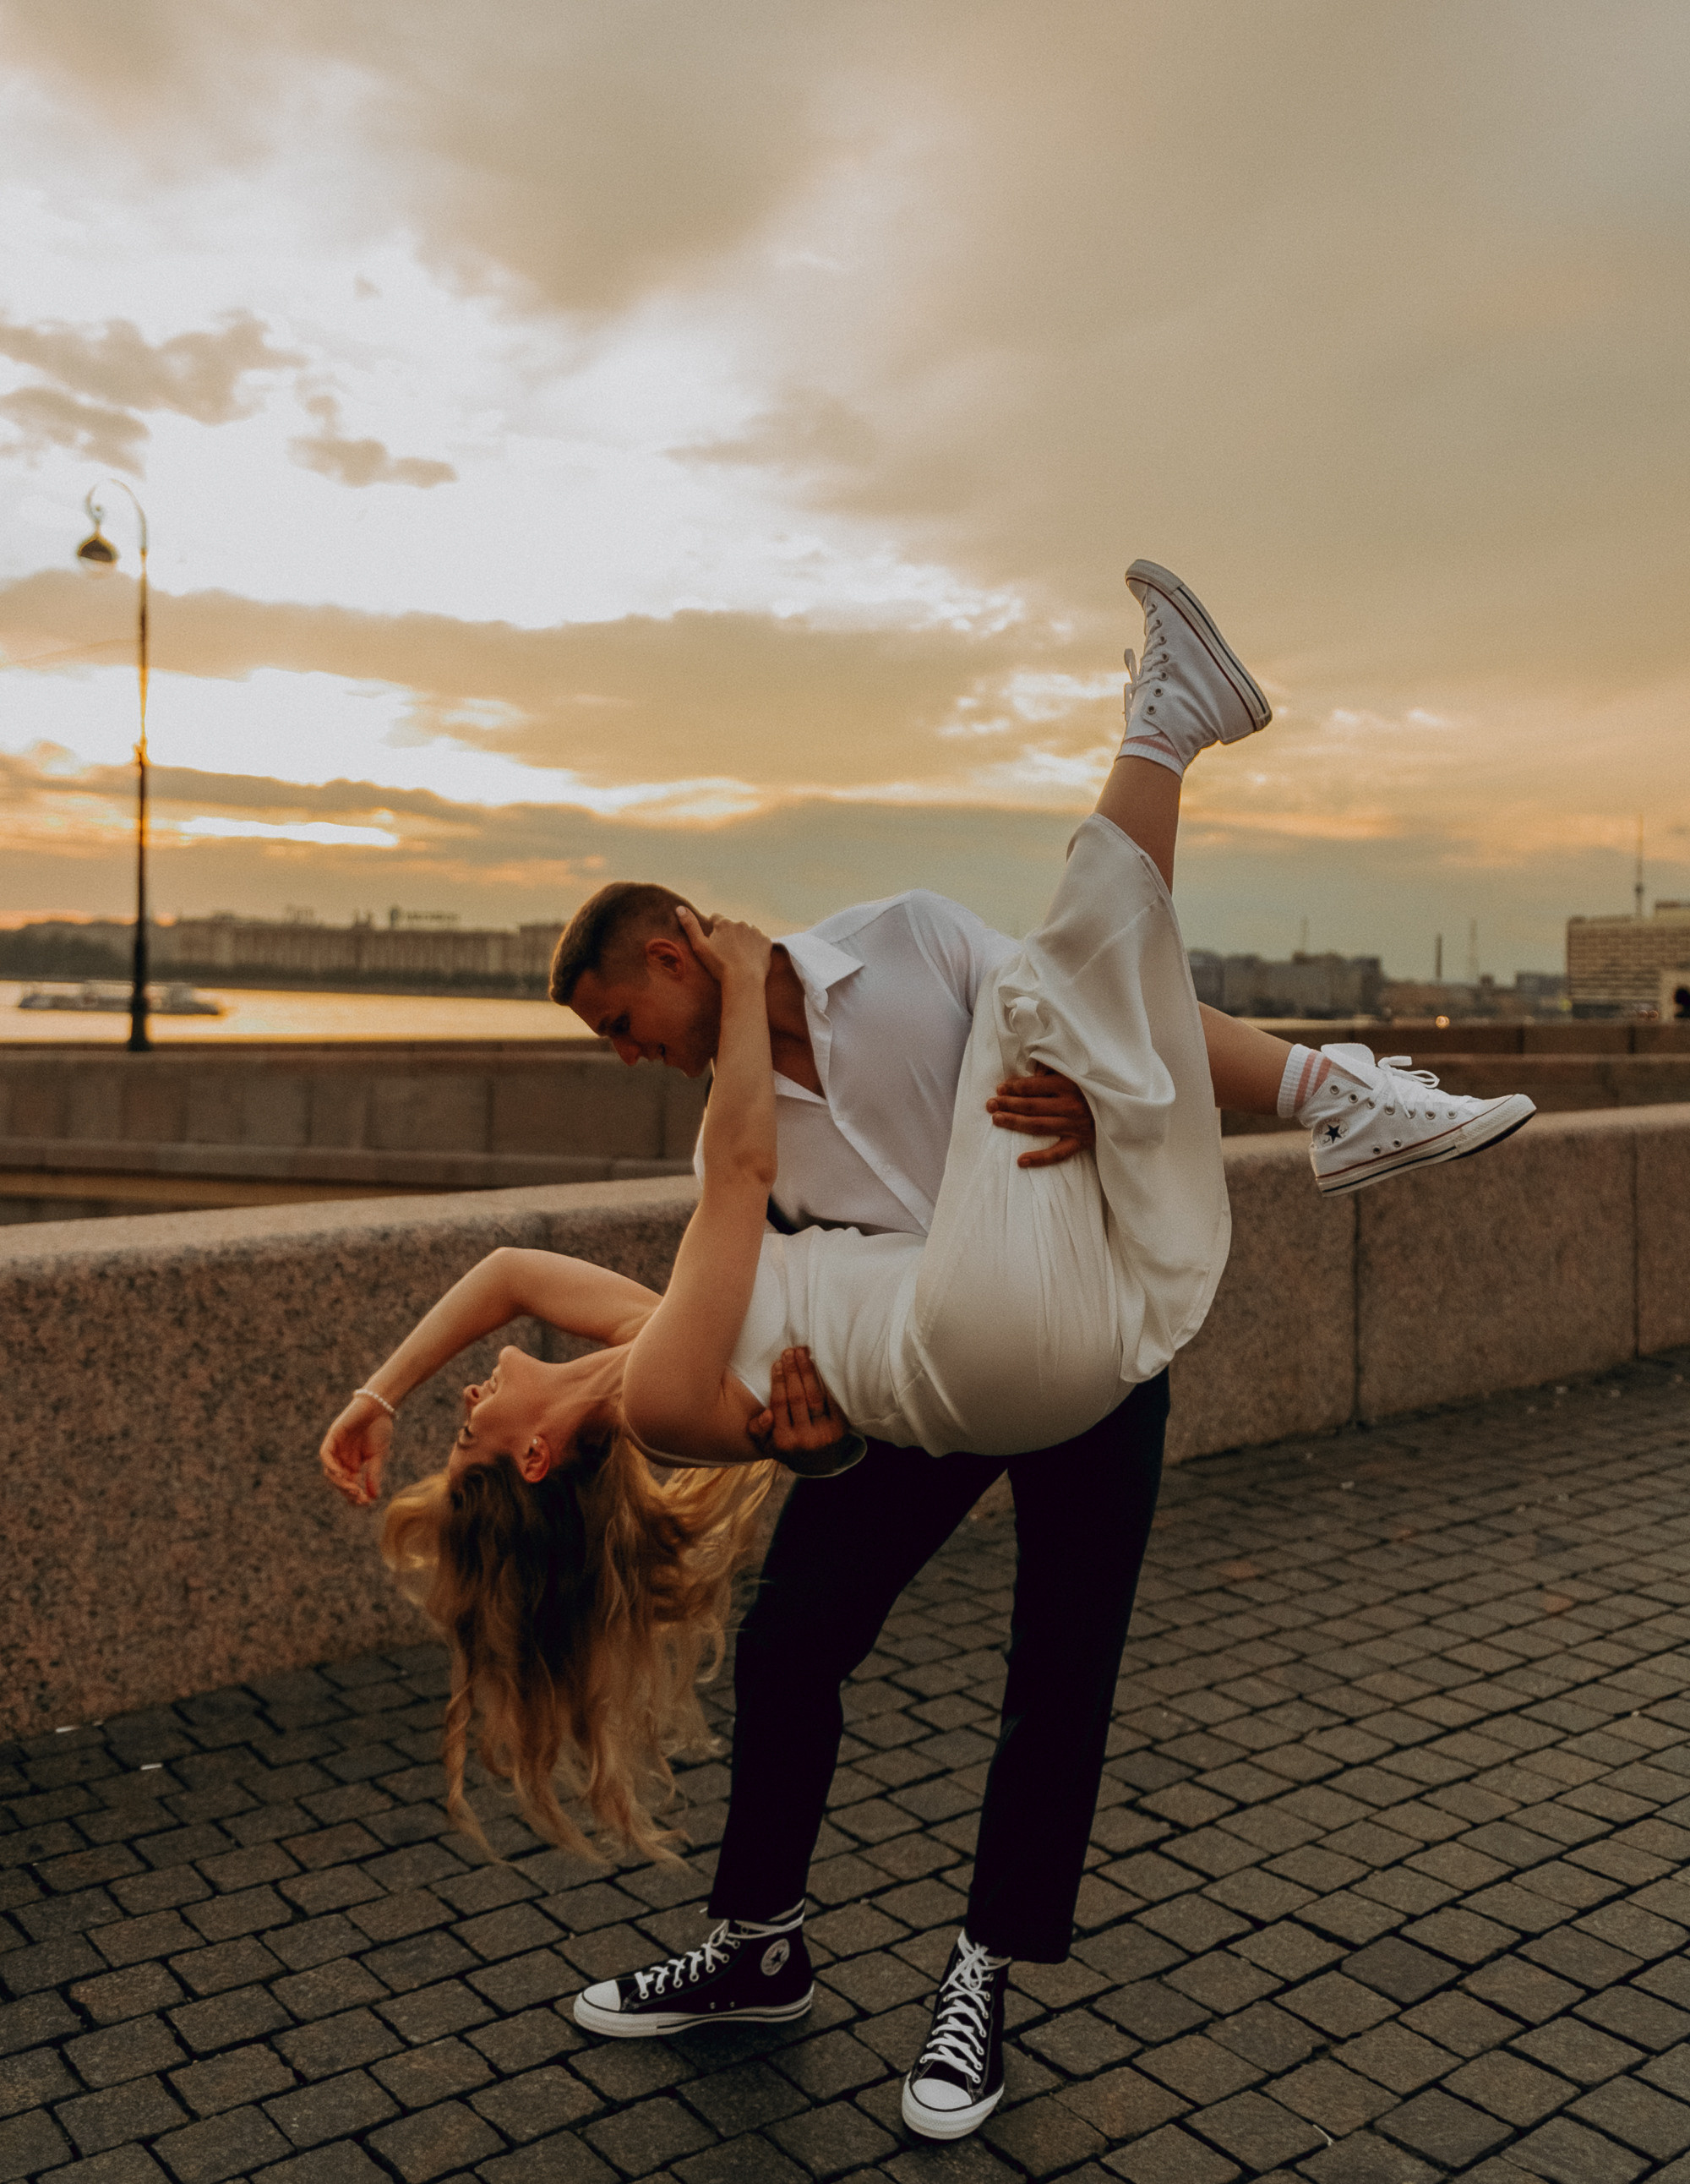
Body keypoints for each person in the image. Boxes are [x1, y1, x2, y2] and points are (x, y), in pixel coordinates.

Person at [320, 560, 1533, 2144]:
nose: (630, 1059)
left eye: (626, 1024)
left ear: (680, 953)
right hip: (933, 1377)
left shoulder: (897, 950)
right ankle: (759, 1948)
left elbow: (1098, 1029)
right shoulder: (730, 1146)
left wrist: (1112, 1109)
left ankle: (981, 1979)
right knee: (795, 1640)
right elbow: (803, 1358)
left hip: (1062, 1315)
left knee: (1059, 1675)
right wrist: (818, 1446)